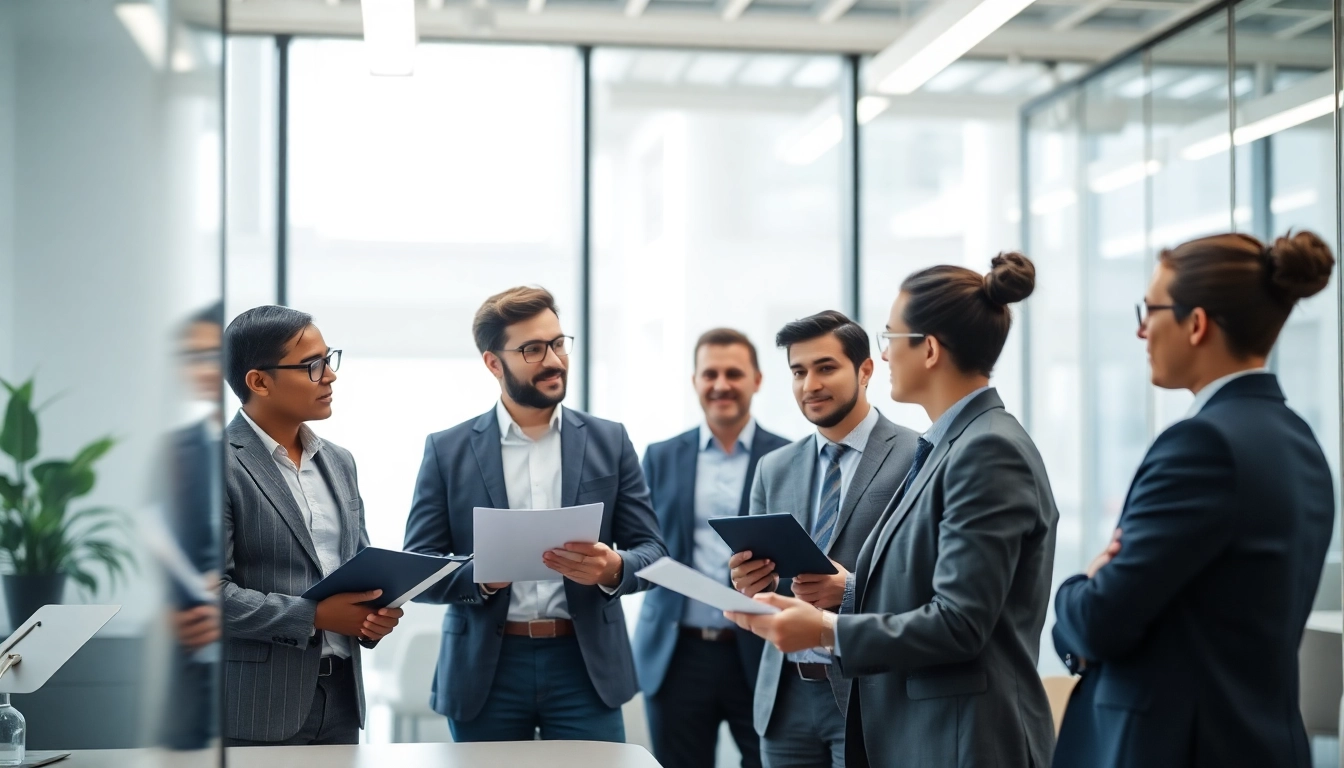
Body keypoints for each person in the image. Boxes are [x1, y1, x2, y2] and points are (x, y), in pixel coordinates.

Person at [728, 253, 1058, 768]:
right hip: (927, 729)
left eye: (890, 339)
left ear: (927, 349)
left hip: (963, 737)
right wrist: (842, 592)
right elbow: (926, 583)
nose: (885, 357)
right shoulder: (952, 444)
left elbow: (959, 623)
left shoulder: (986, 449)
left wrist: (823, 630)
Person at [1052, 231, 1336, 768]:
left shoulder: (1202, 445)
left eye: (1150, 309)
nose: (1141, 329)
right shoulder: (1301, 442)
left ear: (1197, 323)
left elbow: (1097, 622)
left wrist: (1079, 586)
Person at [403, 286, 666, 743]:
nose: (555, 360)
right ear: (492, 363)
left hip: (584, 666)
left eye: (558, 343)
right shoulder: (447, 451)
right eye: (533, 349)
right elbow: (417, 565)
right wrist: (480, 576)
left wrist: (614, 568)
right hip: (487, 668)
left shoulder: (611, 441)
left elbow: (654, 552)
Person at [728, 310, 919, 768]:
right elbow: (761, 584)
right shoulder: (773, 467)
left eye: (826, 367)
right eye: (798, 371)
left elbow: (924, 581)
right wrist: (748, 581)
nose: (810, 384)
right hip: (785, 696)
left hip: (868, 692)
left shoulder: (916, 456)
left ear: (866, 370)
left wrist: (850, 589)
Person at [220, 305, 403, 746]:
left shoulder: (339, 461)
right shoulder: (212, 463)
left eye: (328, 359)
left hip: (341, 698)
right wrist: (316, 616)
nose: (330, 376)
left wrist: (372, 615)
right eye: (312, 366)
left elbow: (360, 564)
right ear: (259, 381)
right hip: (257, 708)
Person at [633, 328, 791, 768]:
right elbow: (639, 543)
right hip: (677, 653)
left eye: (734, 373)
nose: (721, 384)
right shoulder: (660, 456)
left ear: (757, 380)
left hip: (758, 652)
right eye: (711, 374)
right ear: (695, 381)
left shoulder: (787, 458)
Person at [161, 302, 223, 750]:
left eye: (213, 354)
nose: (201, 369)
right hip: (190, 673)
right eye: (190, 357)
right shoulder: (172, 453)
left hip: (263, 677)